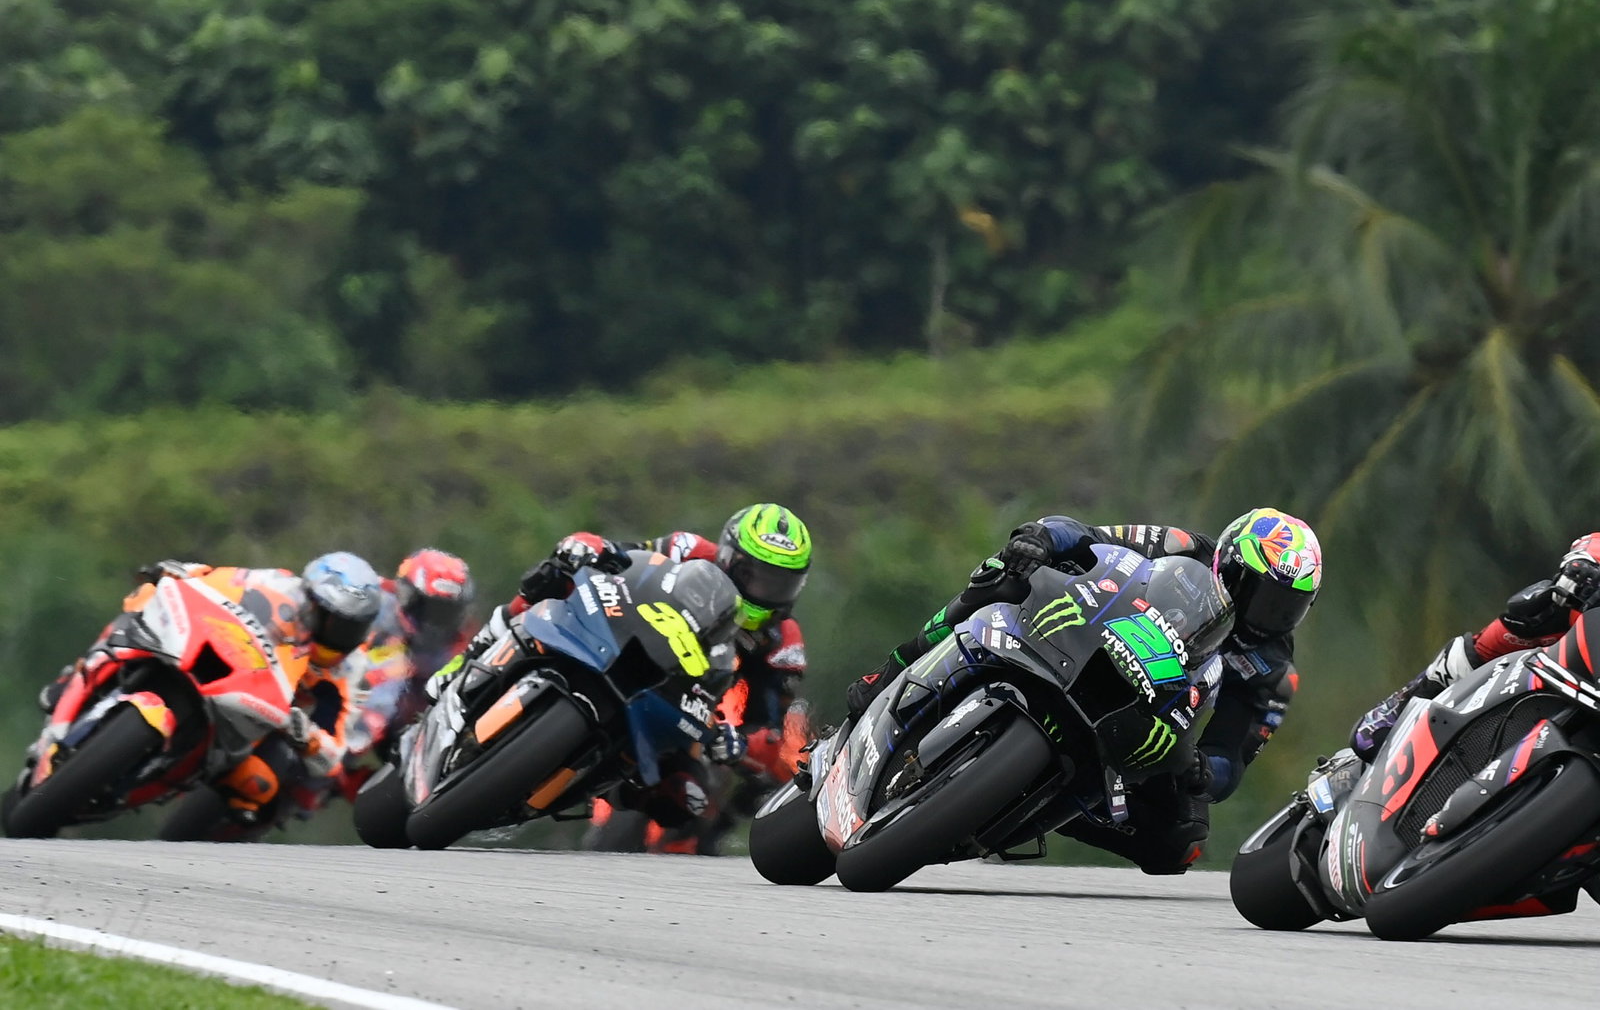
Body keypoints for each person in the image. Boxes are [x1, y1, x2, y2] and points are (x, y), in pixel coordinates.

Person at [844, 508, 1323, 874]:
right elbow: (1089, 535)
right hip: (1084, 636)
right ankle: (891, 669)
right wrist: (1041, 538)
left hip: (1149, 718)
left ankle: (1029, 803)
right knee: (1002, 573)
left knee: (1182, 843)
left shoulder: (1272, 670)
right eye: (1260, 594)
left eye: (1288, 606)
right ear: (1228, 563)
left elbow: (1231, 760)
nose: (1268, 614)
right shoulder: (1181, 548)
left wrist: (1200, 769)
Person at [434, 503, 812, 834]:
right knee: (549, 578)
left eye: (780, 584)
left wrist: (741, 743)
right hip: (623, 640)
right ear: (729, 556)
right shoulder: (689, 550)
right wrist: (588, 548)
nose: (765, 590)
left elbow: (769, 721)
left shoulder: (783, 641)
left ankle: (600, 785)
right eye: (754, 575)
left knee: (685, 800)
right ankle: (473, 655)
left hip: (684, 704)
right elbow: (624, 555)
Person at [40, 553, 384, 823]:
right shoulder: (277, 584)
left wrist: (307, 736)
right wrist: (182, 572)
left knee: (261, 784)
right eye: (327, 617)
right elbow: (218, 579)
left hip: (255, 718)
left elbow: (335, 752)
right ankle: (75, 677)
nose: (333, 633)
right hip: (219, 655)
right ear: (309, 597)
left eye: (347, 627)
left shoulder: (349, 668)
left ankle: (177, 789)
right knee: (142, 600)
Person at [1349, 533, 1600, 762]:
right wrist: (1583, 563)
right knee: (1538, 611)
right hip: (1579, 655)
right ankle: (1409, 703)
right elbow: (1590, 542)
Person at [324, 548, 478, 803]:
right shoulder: (370, 597)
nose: (434, 622)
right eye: (429, 609)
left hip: (400, 722)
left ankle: (360, 786)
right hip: (340, 682)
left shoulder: (458, 645)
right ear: (406, 595)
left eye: (445, 614)